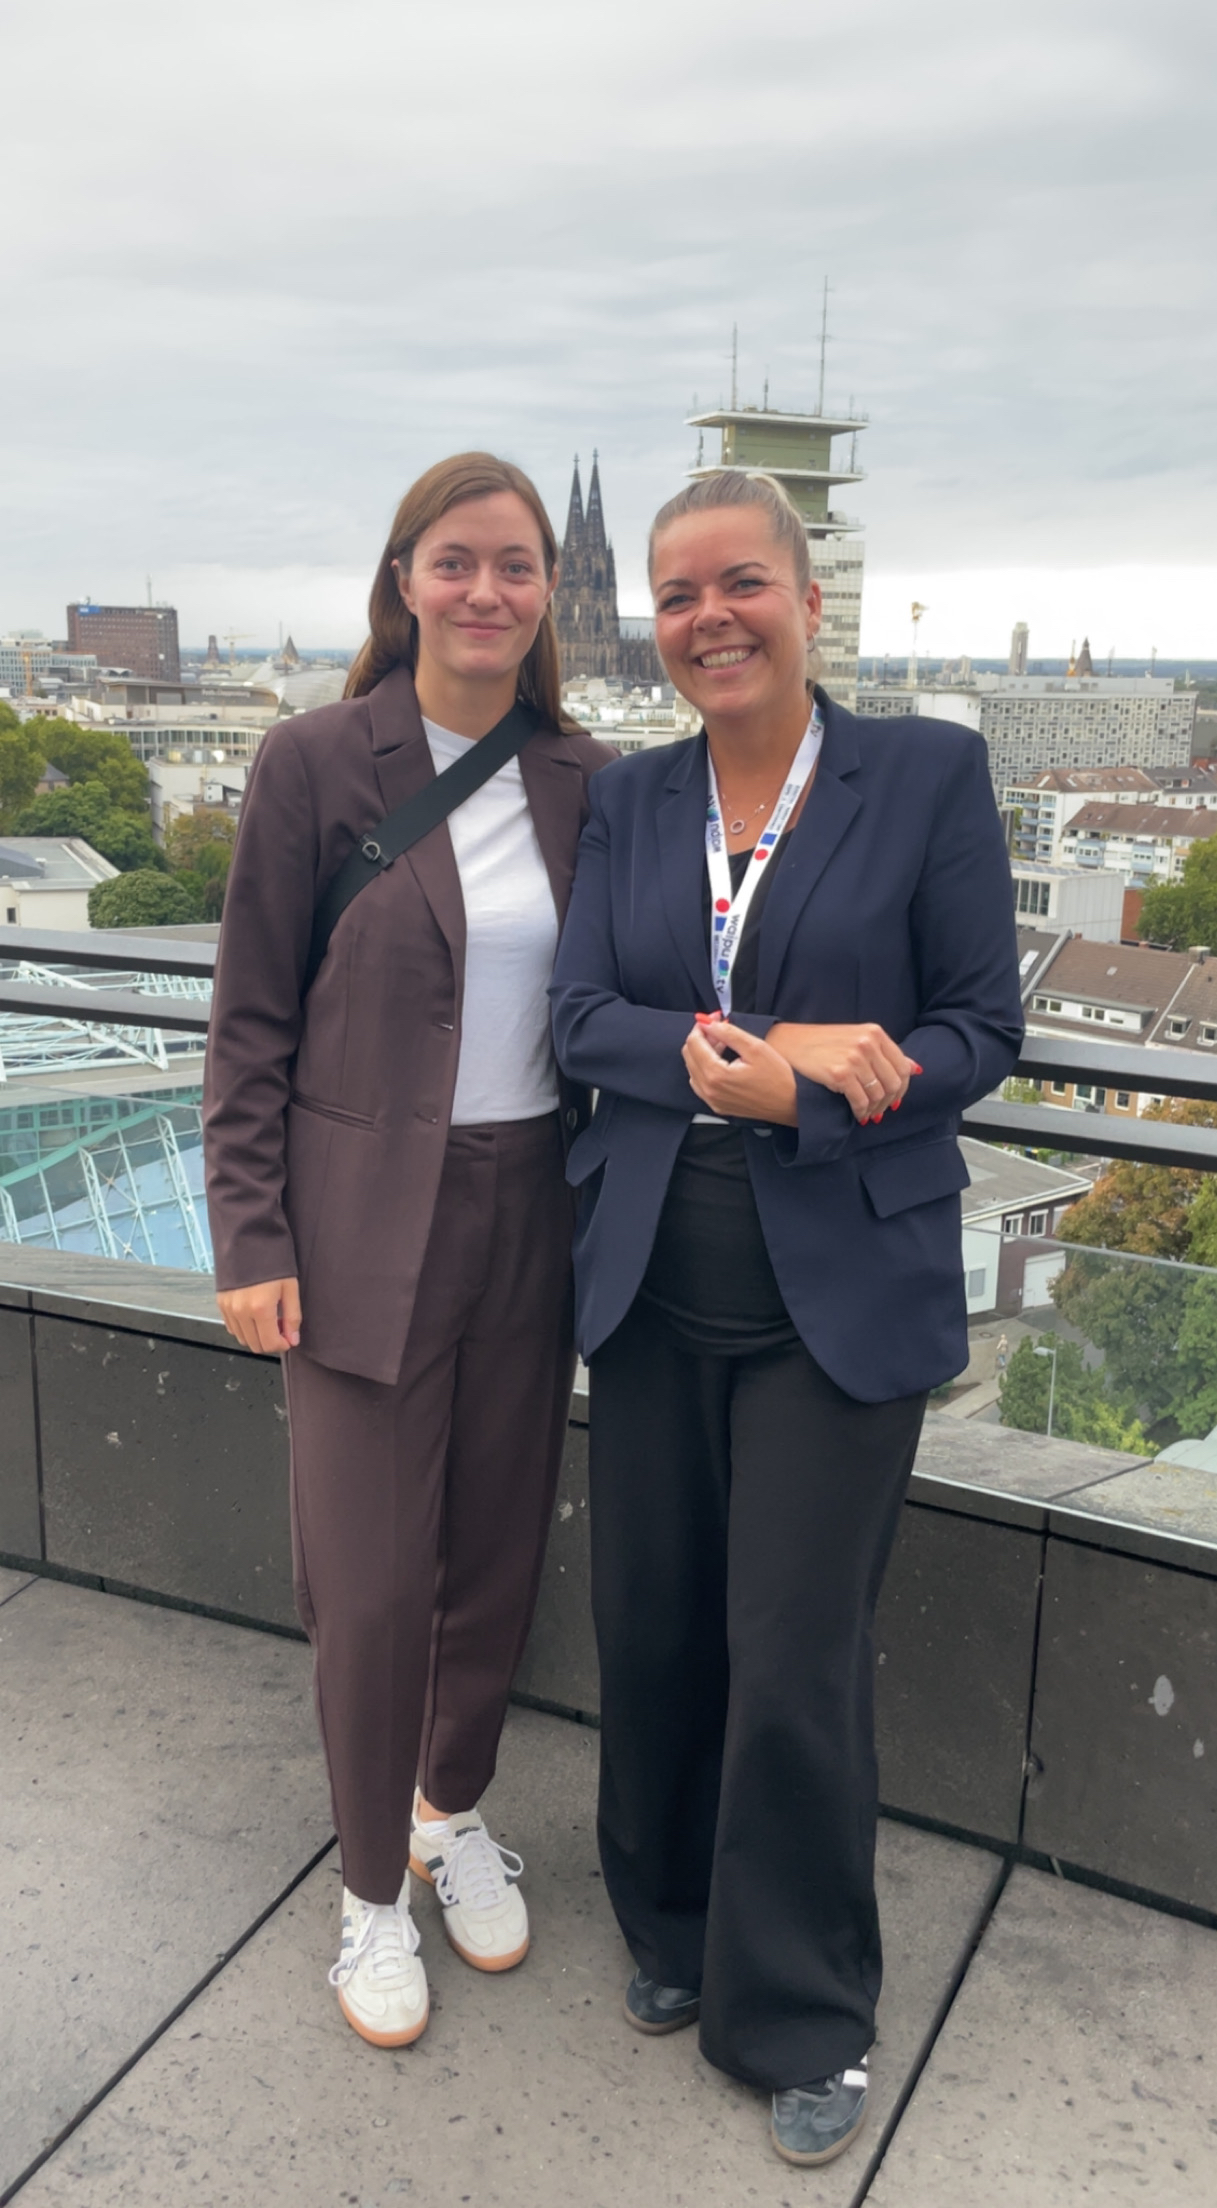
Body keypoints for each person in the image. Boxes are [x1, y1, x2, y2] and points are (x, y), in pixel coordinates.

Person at [549, 471, 1023, 2167]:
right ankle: (668, 1927)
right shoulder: (630, 797)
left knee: (796, 1666)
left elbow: (979, 1027)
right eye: (676, 595)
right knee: (658, 1627)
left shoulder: (924, 775)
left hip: (835, 1293)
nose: (706, 618)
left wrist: (814, 1089)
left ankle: (802, 2009)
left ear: (807, 600)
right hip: (652, 1286)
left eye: (738, 582)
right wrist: (760, 1052)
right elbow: (579, 1014)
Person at [203, 453, 613, 2049]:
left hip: (537, 1212)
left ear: (550, 593)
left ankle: (452, 1815)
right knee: (371, 1584)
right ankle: (370, 1892)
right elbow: (245, 1020)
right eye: (459, 561)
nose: (491, 591)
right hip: (362, 1221)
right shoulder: (319, 761)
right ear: (404, 580)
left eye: (517, 565)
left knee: (494, 1556)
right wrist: (253, 1231)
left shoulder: (585, 774)